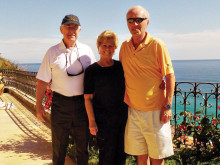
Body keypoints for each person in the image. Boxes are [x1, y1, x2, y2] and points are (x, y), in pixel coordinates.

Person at [36, 14, 96, 165]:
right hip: (60, 105)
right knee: (59, 148)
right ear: (61, 29)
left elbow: (96, 78)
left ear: (80, 30)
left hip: (83, 106)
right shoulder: (52, 52)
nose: (71, 30)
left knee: (83, 148)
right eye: (68, 27)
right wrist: (38, 106)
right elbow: (42, 81)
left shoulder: (87, 51)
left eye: (74, 27)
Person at [119, 6, 175, 165]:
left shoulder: (157, 44)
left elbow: (170, 76)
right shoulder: (124, 47)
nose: (134, 24)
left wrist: (168, 106)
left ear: (147, 22)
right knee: (140, 156)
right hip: (134, 111)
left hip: (156, 112)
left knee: (157, 157)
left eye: (139, 20)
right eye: (130, 20)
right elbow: (122, 74)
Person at [84, 30, 127, 165]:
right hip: (103, 121)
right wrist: (92, 122)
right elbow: (88, 98)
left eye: (111, 46)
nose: (107, 49)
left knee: (121, 156)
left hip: (122, 120)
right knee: (106, 157)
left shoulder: (121, 67)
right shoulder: (92, 70)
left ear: (115, 48)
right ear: (98, 47)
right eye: (104, 45)